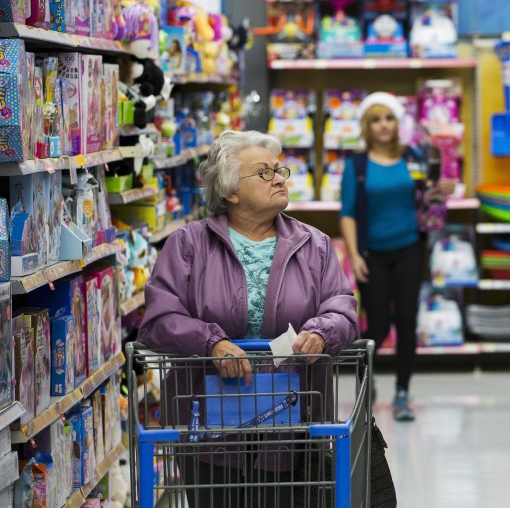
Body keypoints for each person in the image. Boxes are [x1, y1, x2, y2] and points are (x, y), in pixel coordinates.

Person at [138, 130, 359, 507]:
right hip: (209, 422)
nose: (280, 178)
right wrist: (212, 343)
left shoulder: (316, 245)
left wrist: (322, 333)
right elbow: (159, 319)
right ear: (230, 192)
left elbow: (343, 308)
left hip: (294, 418)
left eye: (280, 170)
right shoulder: (188, 244)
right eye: (264, 173)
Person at [340, 92, 454, 421]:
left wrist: (440, 191)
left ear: (397, 123)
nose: (383, 125)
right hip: (372, 254)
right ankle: (368, 387)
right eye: (376, 119)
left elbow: (427, 198)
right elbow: (346, 213)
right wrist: (354, 254)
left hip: (409, 249)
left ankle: (403, 392)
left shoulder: (414, 156)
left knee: (406, 322)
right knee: (376, 326)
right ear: (367, 125)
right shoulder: (356, 165)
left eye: (388, 118)